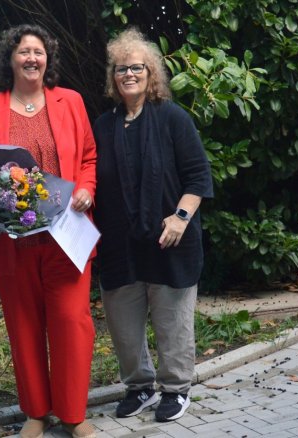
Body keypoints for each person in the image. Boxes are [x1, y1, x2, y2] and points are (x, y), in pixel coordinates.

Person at [0, 24, 98, 438]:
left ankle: (74, 415)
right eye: (24, 51)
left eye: (38, 52)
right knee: (23, 326)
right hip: (13, 242)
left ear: (48, 59)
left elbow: (89, 157)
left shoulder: (70, 102)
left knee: (71, 323)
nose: (31, 59)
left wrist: (86, 190)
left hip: (66, 237)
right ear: (11, 58)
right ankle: (36, 412)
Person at [92, 28, 213, 423]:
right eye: (121, 68)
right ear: (113, 77)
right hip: (120, 245)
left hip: (169, 240)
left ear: (152, 73)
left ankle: (176, 389)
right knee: (123, 325)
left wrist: (181, 217)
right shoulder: (104, 126)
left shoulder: (173, 118)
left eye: (137, 68)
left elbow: (197, 177)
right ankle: (139, 386)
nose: (129, 74)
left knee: (172, 321)